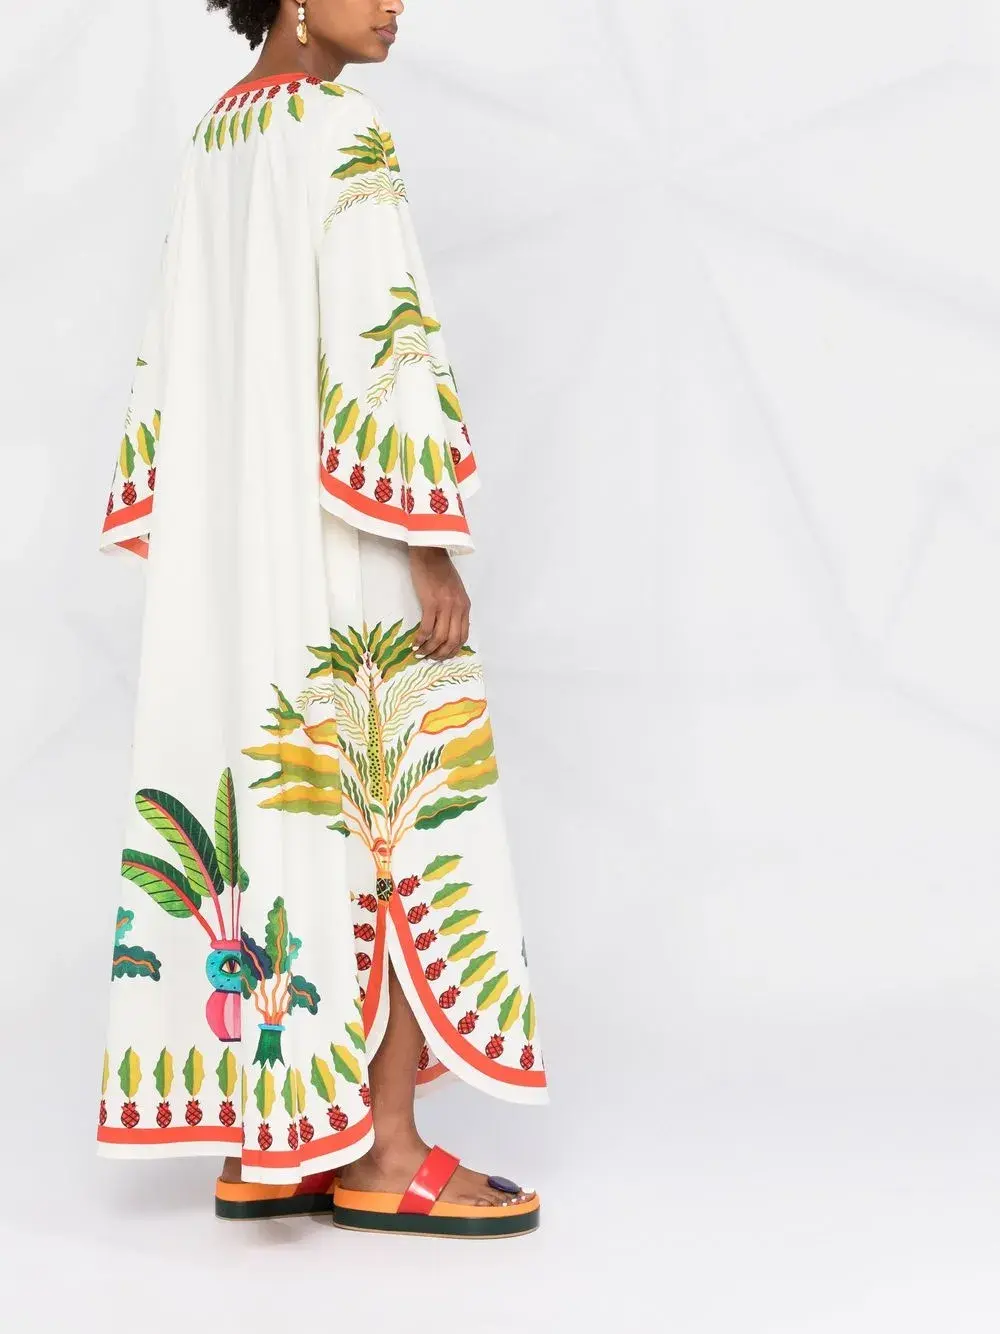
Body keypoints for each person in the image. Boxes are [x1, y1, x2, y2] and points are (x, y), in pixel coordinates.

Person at [96, 0, 546, 1239]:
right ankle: (385, 1150)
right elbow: (381, 344)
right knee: (398, 812)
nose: (396, 3)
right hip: (344, 543)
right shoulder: (342, 126)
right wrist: (428, 543)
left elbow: (176, 356)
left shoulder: (216, 138)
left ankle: (276, 1141)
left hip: (242, 559)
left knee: (276, 814)